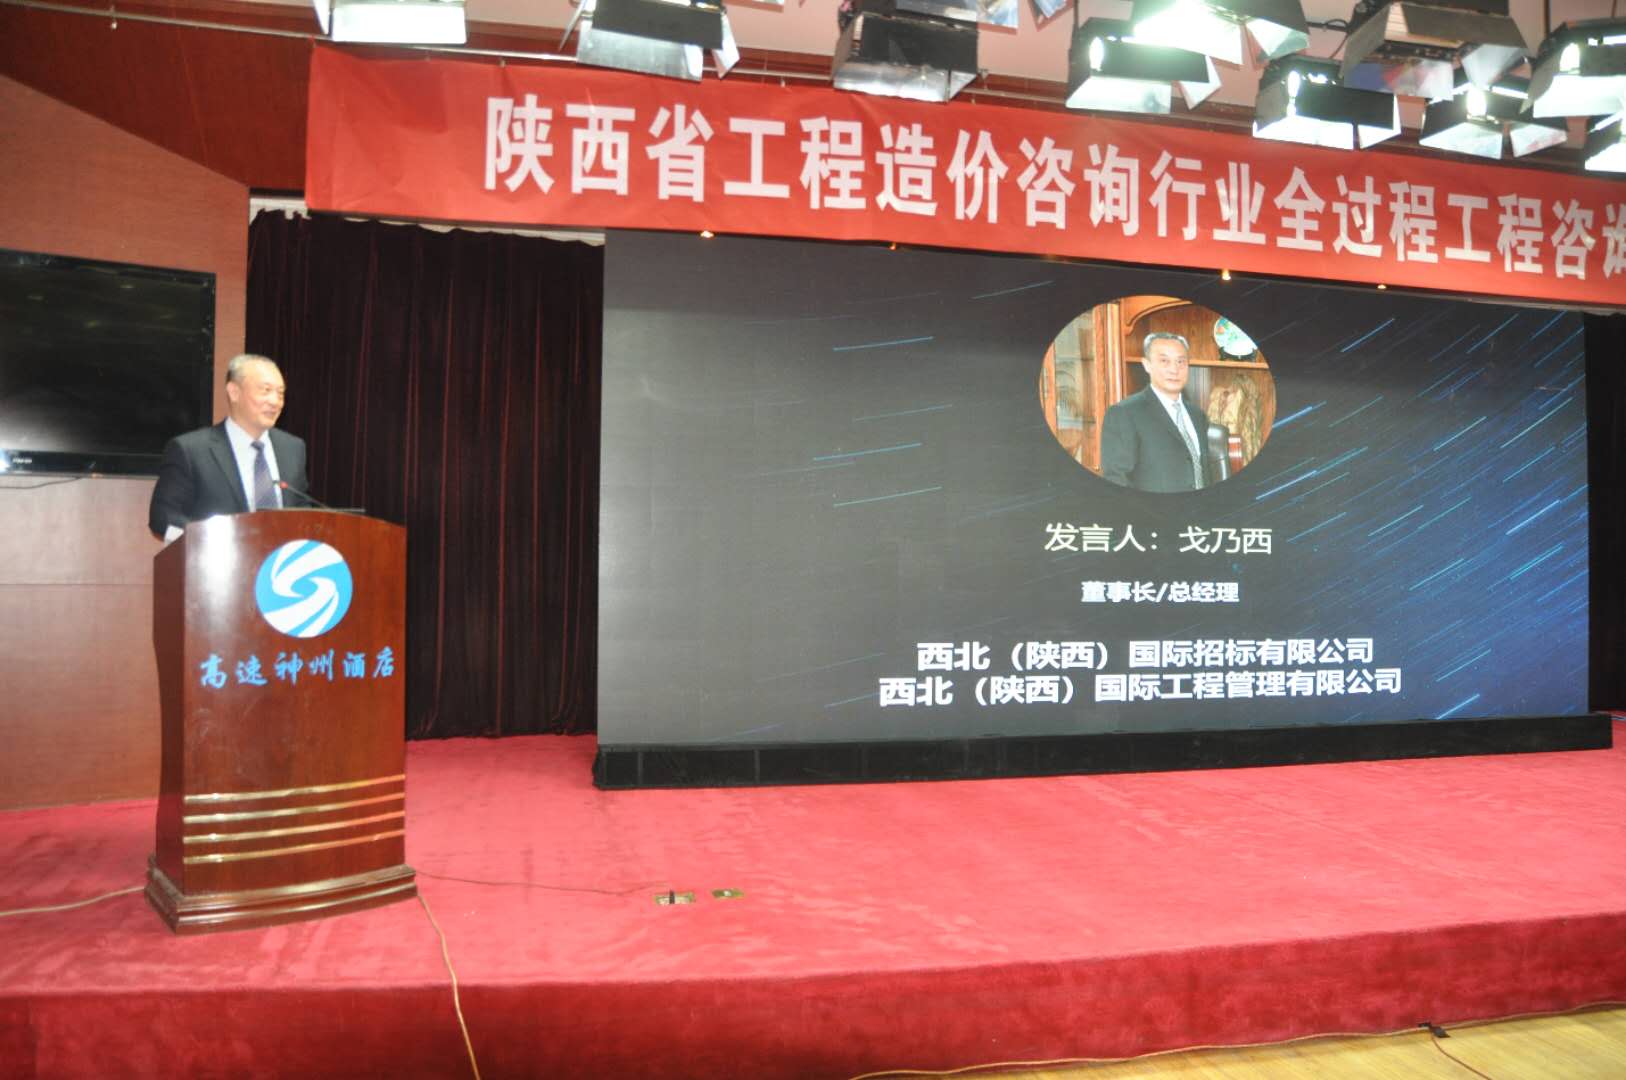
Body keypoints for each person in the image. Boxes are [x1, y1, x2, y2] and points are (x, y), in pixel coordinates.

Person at [147, 353, 308, 539]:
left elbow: (303, 512)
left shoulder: (293, 448)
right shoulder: (191, 450)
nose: (275, 402)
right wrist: (213, 542)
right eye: (266, 390)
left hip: (281, 556)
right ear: (234, 392)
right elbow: (162, 517)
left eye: (280, 393)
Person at [1098, 331, 1210, 494]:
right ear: (1147, 365)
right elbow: (1116, 481)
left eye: (1181, 361)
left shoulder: (1198, 416)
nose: (1174, 369)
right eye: (1164, 361)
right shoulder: (1124, 414)